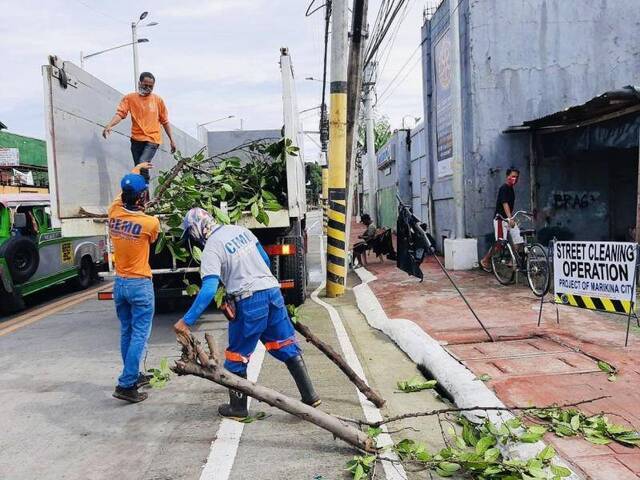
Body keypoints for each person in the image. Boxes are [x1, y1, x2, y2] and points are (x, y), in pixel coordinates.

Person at [174, 208, 320, 419]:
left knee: (236, 357)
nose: (193, 240)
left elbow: (208, 289)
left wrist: (185, 321)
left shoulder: (212, 248)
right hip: (272, 293)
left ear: (196, 230)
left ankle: (238, 409)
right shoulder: (239, 230)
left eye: (191, 235)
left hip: (250, 302)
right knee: (286, 344)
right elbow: (265, 261)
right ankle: (310, 396)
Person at [109, 163, 160, 403]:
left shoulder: (113, 213)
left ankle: (134, 374)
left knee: (127, 332)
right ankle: (126, 384)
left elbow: (122, 194)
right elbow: (152, 241)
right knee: (140, 334)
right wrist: (138, 171)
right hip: (139, 283)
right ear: (142, 196)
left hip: (119, 284)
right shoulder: (150, 223)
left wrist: (134, 171)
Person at [102, 72, 177, 182]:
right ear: (139, 83)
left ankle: (144, 194)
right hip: (136, 140)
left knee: (142, 163)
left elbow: (165, 121)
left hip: (152, 139)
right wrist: (110, 125)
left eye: (151, 86)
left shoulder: (158, 101)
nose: (148, 88)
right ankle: (142, 195)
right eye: (145, 85)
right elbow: (120, 114)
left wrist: (172, 140)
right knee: (138, 168)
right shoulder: (129, 98)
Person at [480, 167, 524, 271]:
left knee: (519, 240)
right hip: (500, 219)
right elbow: (505, 204)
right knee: (500, 243)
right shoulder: (504, 188)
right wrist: (509, 218)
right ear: (507, 176)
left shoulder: (511, 190)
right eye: (513, 176)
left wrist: (511, 219)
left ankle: (511, 261)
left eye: (516, 177)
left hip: (509, 219)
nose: (515, 179)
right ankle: (485, 260)